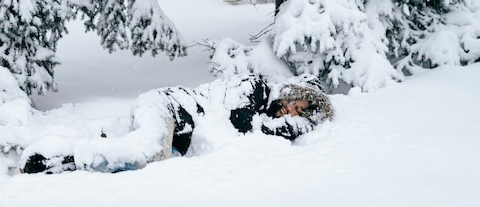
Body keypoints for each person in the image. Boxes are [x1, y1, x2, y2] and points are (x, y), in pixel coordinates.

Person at [19, 73, 334, 174]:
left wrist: (293, 126)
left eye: (299, 113)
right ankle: (57, 159)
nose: (290, 112)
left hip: (175, 124)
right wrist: (281, 127)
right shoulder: (256, 85)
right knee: (150, 151)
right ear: (291, 92)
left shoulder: (265, 107)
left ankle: (86, 149)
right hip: (168, 105)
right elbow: (241, 123)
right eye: (295, 104)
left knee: (149, 163)